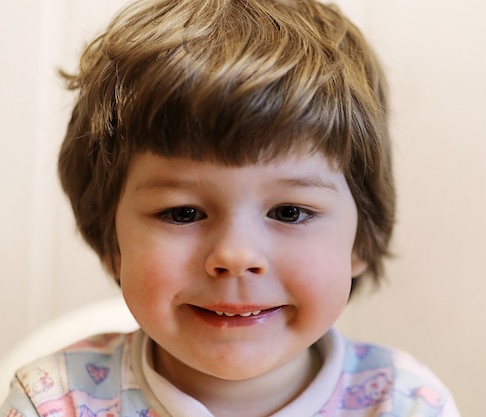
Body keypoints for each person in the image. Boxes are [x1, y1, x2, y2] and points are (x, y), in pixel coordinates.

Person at [0, 0, 461, 416]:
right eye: (182, 213)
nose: (235, 256)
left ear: (360, 238)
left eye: (289, 212)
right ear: (111, 241)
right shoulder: (56, 401)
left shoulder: (404, 402)